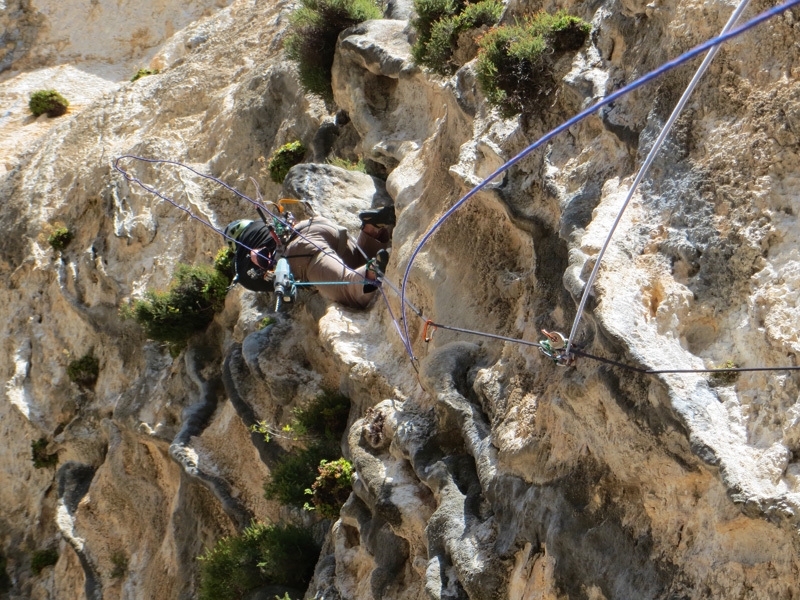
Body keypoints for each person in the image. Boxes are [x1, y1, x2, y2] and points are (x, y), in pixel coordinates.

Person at [224, 205, 395, 309]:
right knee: (357, 262)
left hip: (302, 253)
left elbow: (276, 282)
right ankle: (372, 229)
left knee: (347, 289)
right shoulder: (264, 223)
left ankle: (373, 272)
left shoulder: (240, 262)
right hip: (318, 226)